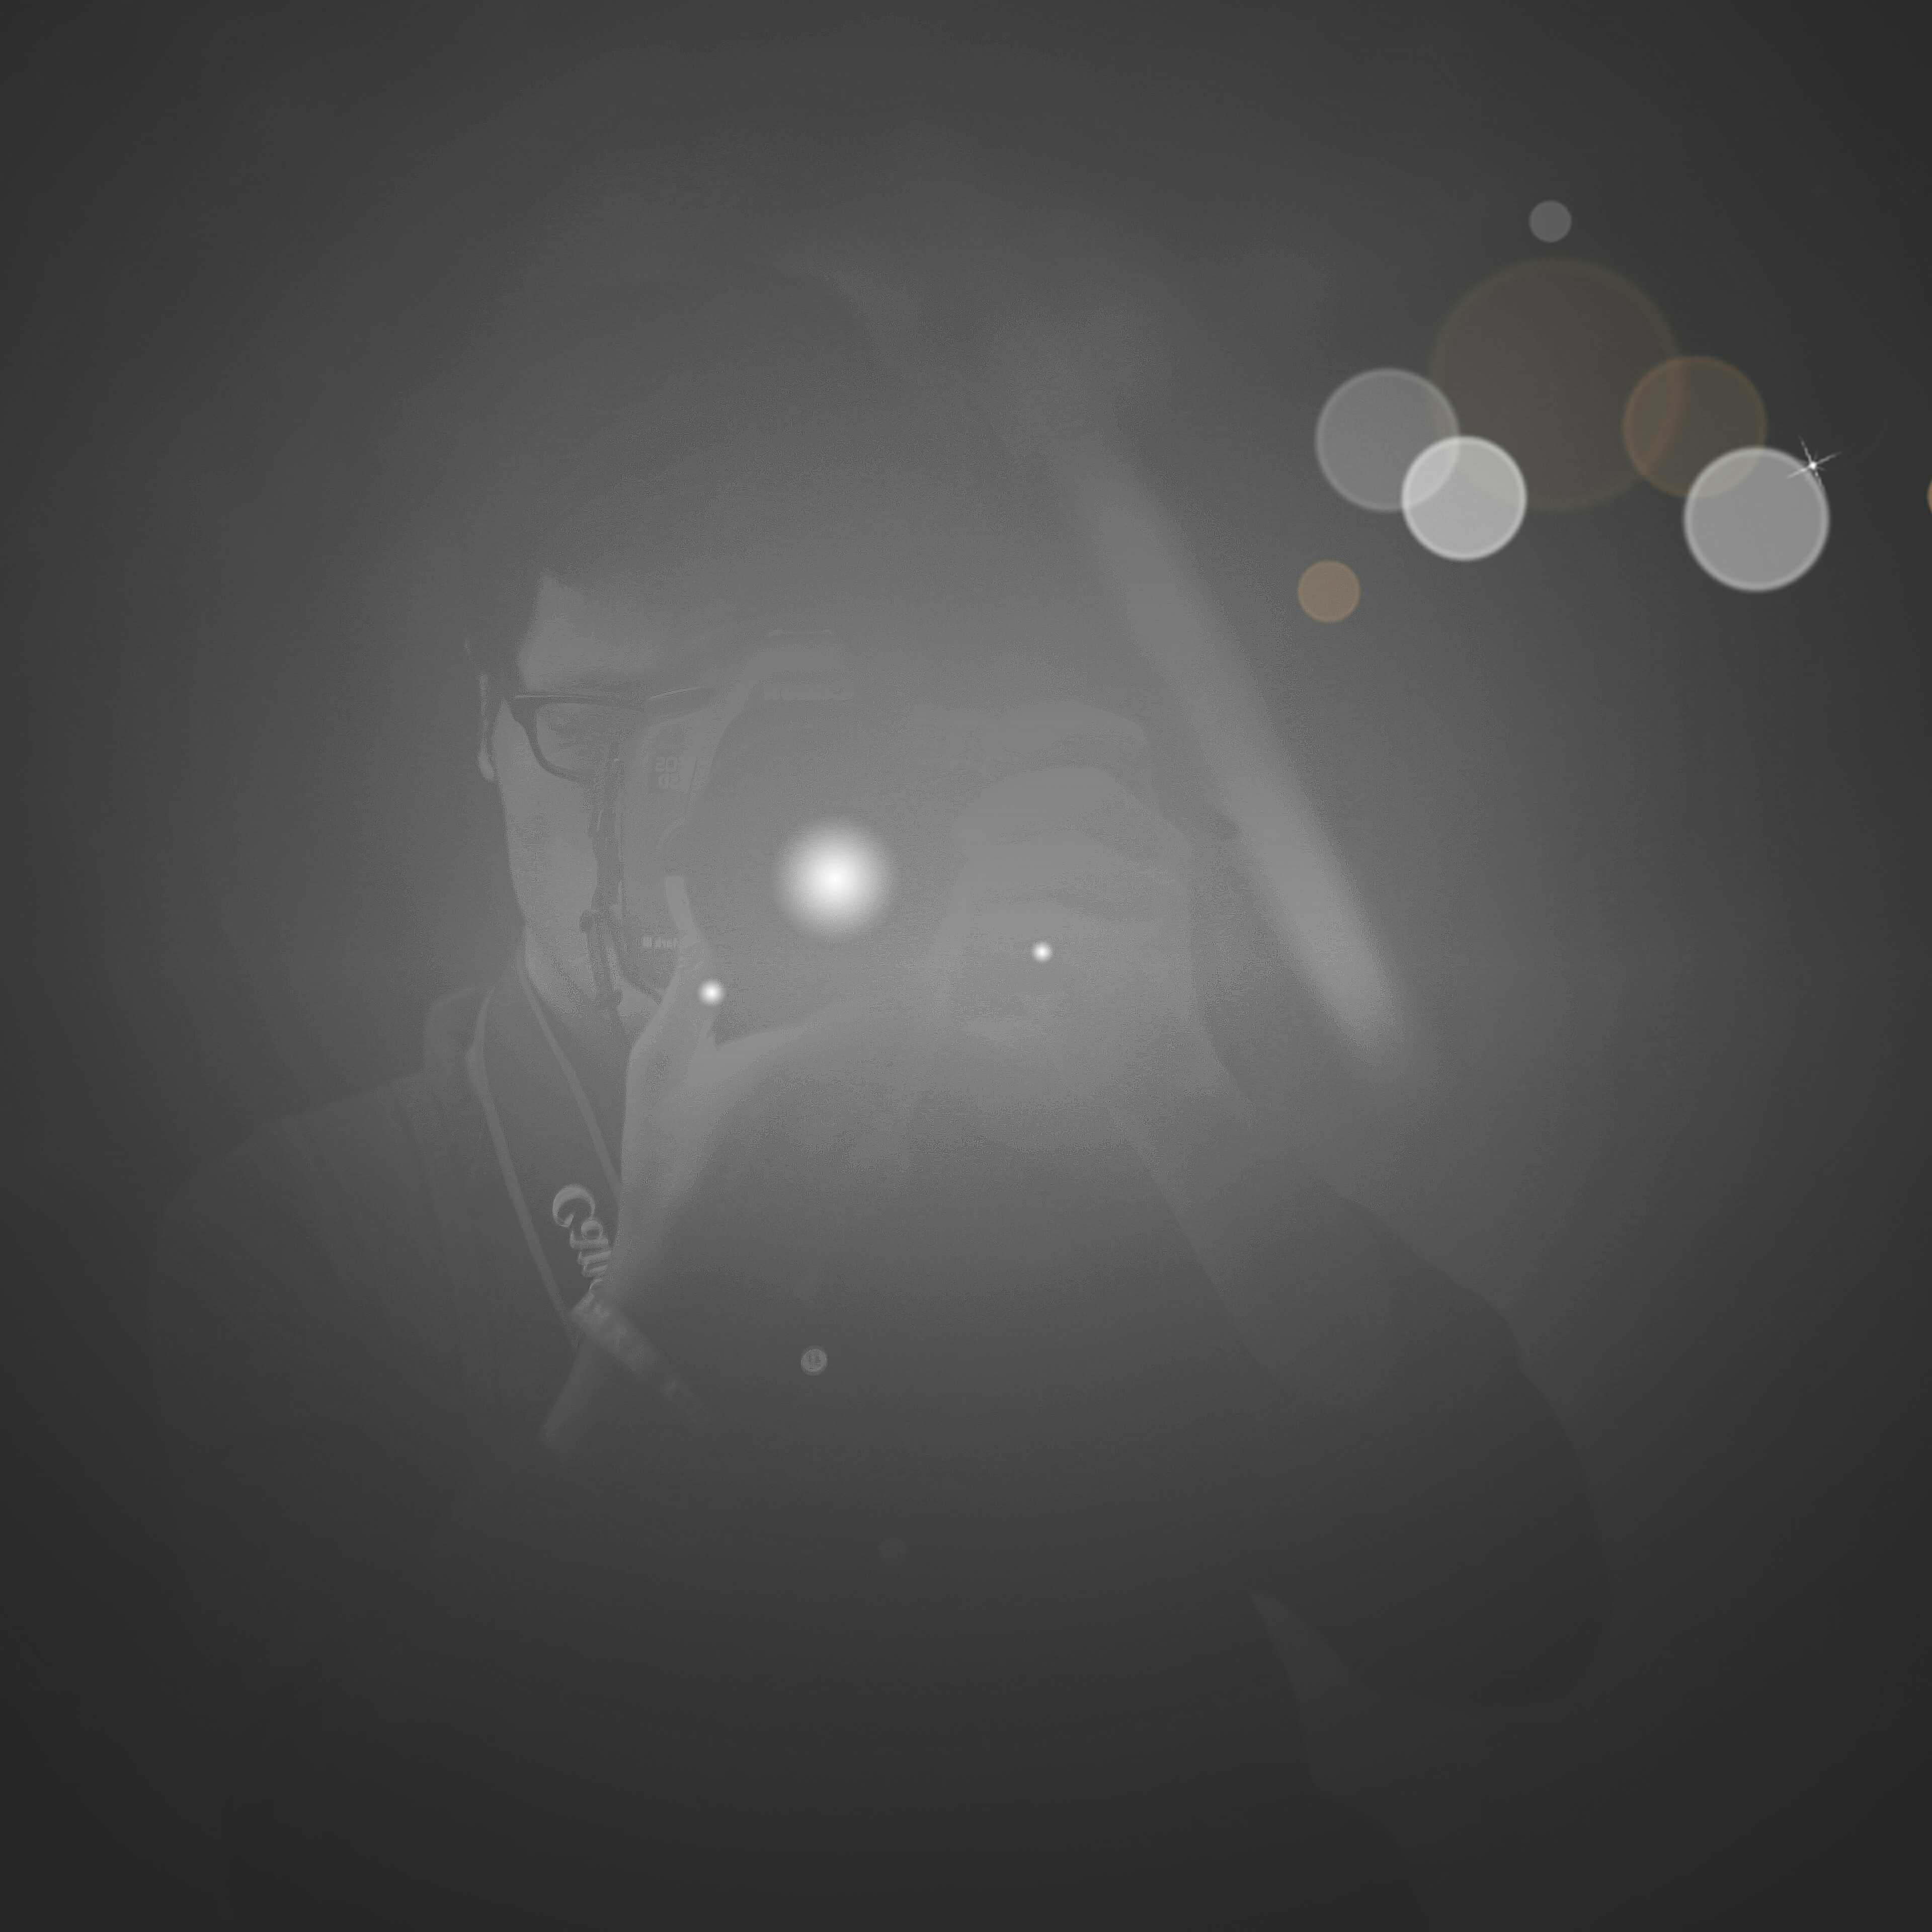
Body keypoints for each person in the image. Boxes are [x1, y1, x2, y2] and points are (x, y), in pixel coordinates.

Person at [146, 272, 1611, 1928]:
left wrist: (1192, 1115)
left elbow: (1513, 1617)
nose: (669, 823)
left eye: (755, 744)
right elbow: (330, 1865)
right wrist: (664, 1318)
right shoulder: (304, 1239)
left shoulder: (1063, 1124)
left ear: (900, 736)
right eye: (601, 729)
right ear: (480, 726)